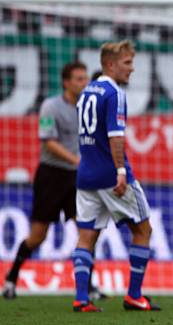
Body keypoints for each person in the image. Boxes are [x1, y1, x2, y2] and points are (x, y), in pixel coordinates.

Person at [72, 41, 160, 312]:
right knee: (143, 230)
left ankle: (81, 299)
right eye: (127, 63)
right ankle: (134, 295)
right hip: (112, 175)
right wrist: (121, 170)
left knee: (86, 238)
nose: (132, 69)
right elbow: (115, 135)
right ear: (110, 64)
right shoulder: (114, 93)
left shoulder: (87, 91)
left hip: (86, 174)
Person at [2, 62, 102, 300]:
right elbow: (48, 141)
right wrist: (77, 160)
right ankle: (11, 279)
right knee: (38, 235)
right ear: (66, 82)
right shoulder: (50, 106)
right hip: (51, 175)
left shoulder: (87, 107)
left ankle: (88, 286)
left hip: (77, 178)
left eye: (86, 78)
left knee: (87, 231)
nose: (84, 83)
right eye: (79, 79)